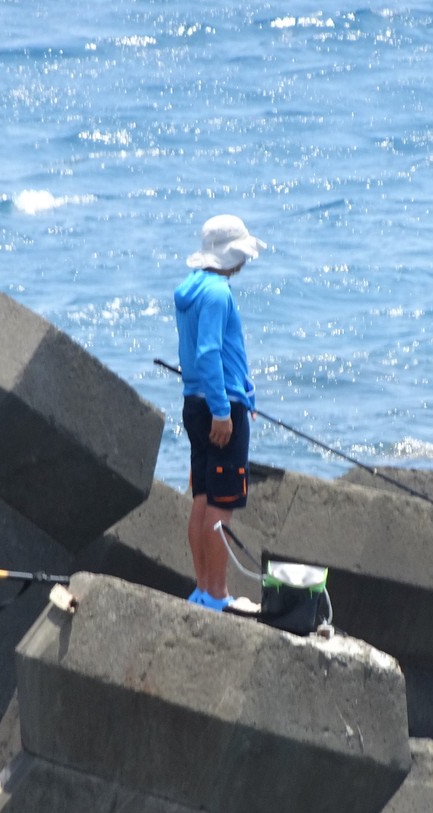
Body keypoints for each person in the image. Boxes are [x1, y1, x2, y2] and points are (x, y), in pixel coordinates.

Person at [175, 213, 265, 612]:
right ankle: (216, 594)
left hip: (195, 404)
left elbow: (207, 355)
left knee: (202, 496)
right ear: (229, 254)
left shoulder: (190, 290)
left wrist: (245, 393)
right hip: (218, 408)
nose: (244, 261)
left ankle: (202, 589)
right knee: (221, 504)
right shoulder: (218, 294)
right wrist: (224, 411)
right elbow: (209, 353)